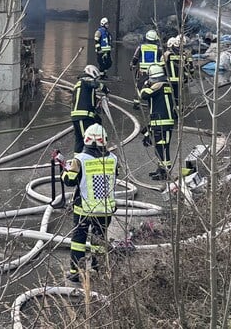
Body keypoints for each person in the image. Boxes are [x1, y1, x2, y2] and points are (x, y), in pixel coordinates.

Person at [62, 123, 118, 282]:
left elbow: (70, 181)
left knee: (79, 240)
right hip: (106, 209)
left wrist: (64, 172)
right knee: (99, 240)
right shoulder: (113, 159)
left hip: (84, 210)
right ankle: (99, 269)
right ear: (104, 141)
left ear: (86, 140)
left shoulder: (79, 160)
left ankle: (76, 272)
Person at [139, 64, 177, 180]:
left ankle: (165, 172)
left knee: (163, 147)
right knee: (160, 148)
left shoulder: (159, 86)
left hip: (162, 123)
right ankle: (160, 170)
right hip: (160, 122)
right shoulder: (166, 85)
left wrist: (144, 84)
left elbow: (144, 95)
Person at [70, 64, 110, 153]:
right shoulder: (85, 80)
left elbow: (86, 99)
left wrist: (97, 104)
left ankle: (77, 162)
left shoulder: (82, 85)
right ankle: (87, 161)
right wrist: (105, 89)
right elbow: (96, 84)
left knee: (79, 141)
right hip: (83, 116)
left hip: (79, 116)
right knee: (88, 139)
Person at [130, 29, 163, 109]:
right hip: (155, 72)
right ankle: (152, 103)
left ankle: (136, 103)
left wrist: (132, 65)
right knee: (154, 87)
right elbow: (162, 59)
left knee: (139, 86)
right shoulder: (158, 48)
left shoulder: (141, 47)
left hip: (143, 72)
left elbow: (135, 58)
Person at [163, 34, 193, 107]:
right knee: (178, 97)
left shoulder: (166, 55)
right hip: (180, 80)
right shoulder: (183, 55)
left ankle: (170, 109)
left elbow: (161, 67)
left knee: (169, 96)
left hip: (169, 80)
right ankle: (179, 109)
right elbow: (188, 67)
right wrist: (188, 77)